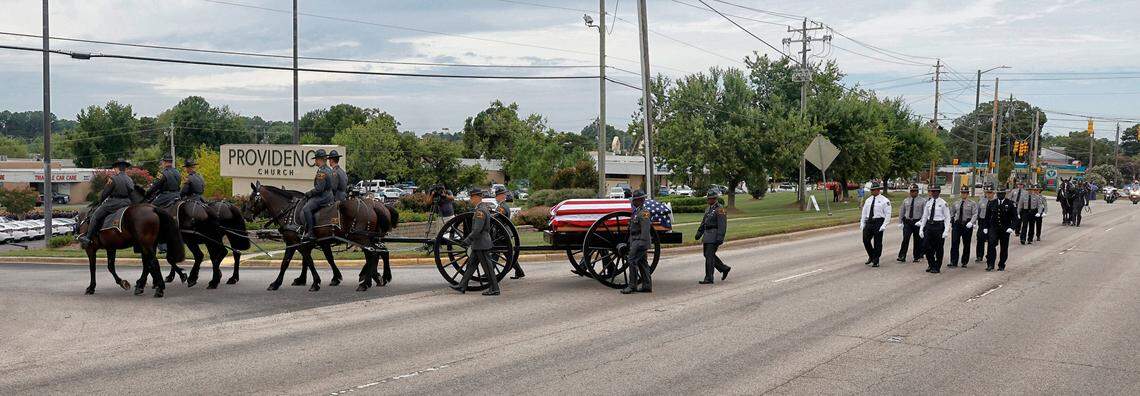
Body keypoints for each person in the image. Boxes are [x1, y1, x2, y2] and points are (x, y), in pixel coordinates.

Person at [452, 188, 500, 296]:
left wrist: (467, 240)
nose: (471, 199)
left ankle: (495, 289)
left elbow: (477, 229)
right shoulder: (481, 208)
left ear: (477, 197)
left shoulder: (480, 211)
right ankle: (462, 286)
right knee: (471, 265)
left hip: (481, 244)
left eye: (472, 197)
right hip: (478, 244)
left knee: (488, 268)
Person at [78, 159, 136, 247]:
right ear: (125, 169)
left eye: (114, 168)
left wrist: (100, 202)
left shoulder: (113, 179)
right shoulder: (130, 179)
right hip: (127, 202)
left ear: (117, 168)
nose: (114, 170)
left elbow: (105, 193)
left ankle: (88, 238)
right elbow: (132, 192)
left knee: (95, 215)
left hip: (114, 203)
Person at [696, 190, 731, 284]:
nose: (709, 200)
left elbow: (722, 224)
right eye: (708, 198)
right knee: (707, 255)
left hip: (714, 235)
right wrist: (699, 232)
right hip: (707, 235)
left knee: (709, 256)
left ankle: (709, 278)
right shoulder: (708, 209)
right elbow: (704, 222)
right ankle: (724, 268)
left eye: (711, 198)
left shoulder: (720, 209)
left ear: (715, 199)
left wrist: (720, 237)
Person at [622, 190, 653, 294]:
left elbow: (645, 229)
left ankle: (632, 286)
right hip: (635, 239)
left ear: (640, 200)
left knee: (632, 261)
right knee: (642, 262)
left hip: (640, 241)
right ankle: (647, 286)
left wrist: (641, 243)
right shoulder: (636, 212)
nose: (633, 202)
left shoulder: (644, 213)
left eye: (634, 200)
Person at [301, 149, 334, 241]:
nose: (315, 161)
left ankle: (310, 233)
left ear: (319, 159)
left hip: (323, 197)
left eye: (316, 159)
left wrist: (309, 193)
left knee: (306, 209)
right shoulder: (329, 169)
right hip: (329, 195)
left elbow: (319, 189)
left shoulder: (321, 172)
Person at [918, 185, 951, 273]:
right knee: (926, 246)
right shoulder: (928, 203)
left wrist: (946, 230)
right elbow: (925, 216)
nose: (932, 193)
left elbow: (947, 217)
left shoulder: (943, 203)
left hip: (939, 226)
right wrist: (921, 228)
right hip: (929, 225)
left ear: (939, 192)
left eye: (935, 191)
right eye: (931, 191)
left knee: (939, 248)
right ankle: (931, 264)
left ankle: (937, 266)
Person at [494, 186, 524, 280]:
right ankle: (519, 271)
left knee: (496, 253)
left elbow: (497, 219)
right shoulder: (501, 205)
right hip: (502, 234)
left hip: (503, 234)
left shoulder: (502, 207)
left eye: (497, 195)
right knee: (507, 254)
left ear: (502, 196)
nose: (496, 197)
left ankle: (489, 272)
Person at [985, 188, 1018, 271]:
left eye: (1002, 193)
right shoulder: (992, 203)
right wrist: (985, 227)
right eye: (998, 193)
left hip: (1005, 228)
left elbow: (1015, 218)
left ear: (1005, 194)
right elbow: (987, 217)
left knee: (1004, 247)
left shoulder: (1010, 204)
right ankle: (990, 264)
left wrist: (1012, 227)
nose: (1000, 195)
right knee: (991, 245)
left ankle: (1001, 264)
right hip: (994, 228)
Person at [859, 182, 891, 267]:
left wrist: (884, 225)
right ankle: (871, 255)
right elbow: (864, 212)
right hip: (869, 222)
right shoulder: (868, 200)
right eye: (871, 190)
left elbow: (888, 214)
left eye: (873, 190)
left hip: (878, 222)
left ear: (878, 190)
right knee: (865, 240)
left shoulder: (885, 200)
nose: (871, 191)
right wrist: (862, 222)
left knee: (877, 242)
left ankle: (876, 260)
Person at [948, 186, 978, 268]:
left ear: (968, 194)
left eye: (965, 193)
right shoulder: (956, 203)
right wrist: (952, 220)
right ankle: (953, 261)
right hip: (957, 224)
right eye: (962, 192)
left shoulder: (972, 203)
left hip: (967, 224)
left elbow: (975, 214)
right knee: (954, 243)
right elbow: (952, 212)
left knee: (966, 243)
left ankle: (964, 261)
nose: (963, 194)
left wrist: (971, 223)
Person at [896, 184, 926, 263]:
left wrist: (921, 222)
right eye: (911, 191)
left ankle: (916, 256)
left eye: (914, 191)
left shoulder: (923, 201)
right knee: (905, 239)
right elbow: (902, 211)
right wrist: (900, 222)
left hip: (917, 222)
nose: (912, 193)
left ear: (917, 191)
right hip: (908, 222)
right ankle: (902, 256)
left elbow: (925, 213)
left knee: (917, 240)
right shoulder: (906, 200)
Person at [974, 186, 994, 263]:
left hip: (991, 222)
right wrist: (974, 223)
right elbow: (977, 212)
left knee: (991, 239)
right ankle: (979, 255)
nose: (988, 194)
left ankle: (989, 255)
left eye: (990, 192)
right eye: (986, 192)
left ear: (993, 192)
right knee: (980, 238)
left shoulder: (995, 201)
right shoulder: (981, 201)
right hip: (982, 221)